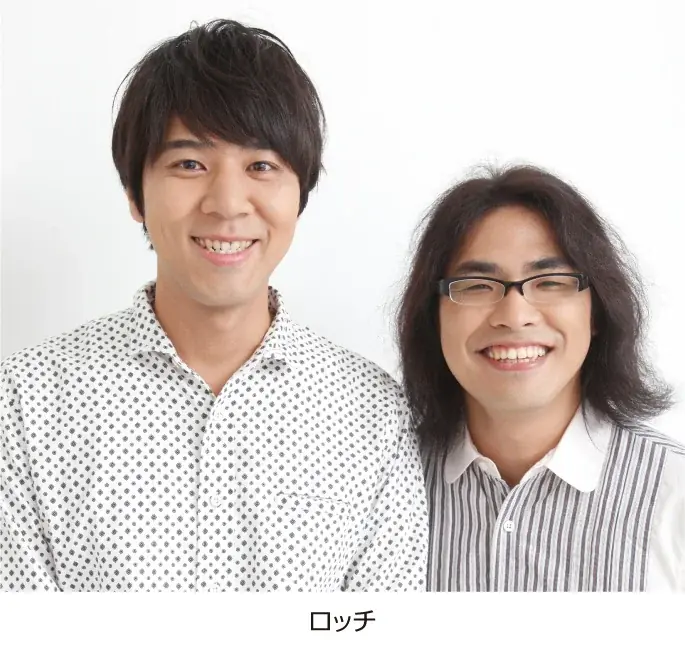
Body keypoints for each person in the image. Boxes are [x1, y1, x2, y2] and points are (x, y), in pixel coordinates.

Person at [0, 19, 428, 592]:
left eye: (262, 166)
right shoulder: (26, 402)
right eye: (190, 164)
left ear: (300, 195)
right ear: (134, 194)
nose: (228, 204)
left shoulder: (372, 413)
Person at [397, 164, 684, 591]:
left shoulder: (674, 496)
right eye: (477, 285)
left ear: (597, 311)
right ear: (433, 317)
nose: (515, 316)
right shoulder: (380, 485)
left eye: (549, 282)